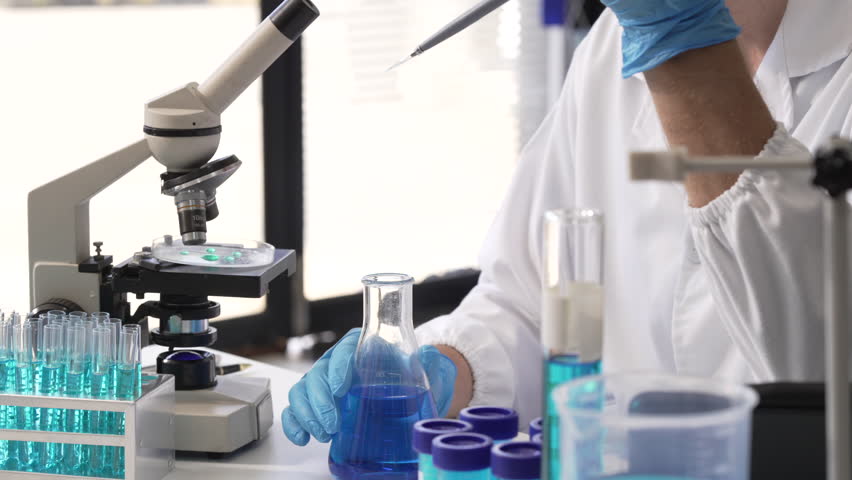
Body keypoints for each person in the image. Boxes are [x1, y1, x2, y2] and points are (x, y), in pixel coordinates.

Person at [282, 0, 852, 445]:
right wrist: (438, 372)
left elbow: (827, 372)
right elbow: (527, 304)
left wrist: (682, 48)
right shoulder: (614, 42)